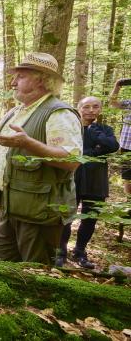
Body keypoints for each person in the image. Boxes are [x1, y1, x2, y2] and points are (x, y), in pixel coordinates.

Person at [0, 52, 83, 265]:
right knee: (3, 265)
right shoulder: (15, 112)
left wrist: (28, 143)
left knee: (34, 272)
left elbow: (71, 160)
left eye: (20, 76)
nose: (12, 82)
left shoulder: (58, 113)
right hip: (8, 206)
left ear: (42, 79)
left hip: (39, 213)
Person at [56, 97, 119, 268]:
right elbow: (67, 151)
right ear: (79, 108)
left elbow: (113, 145)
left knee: (90, 218)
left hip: (96, 181)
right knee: (66, 216)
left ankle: (80, 252)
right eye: (86, 107)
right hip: (72, 178)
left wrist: (94, 131)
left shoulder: (105, 129)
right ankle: (60, 252)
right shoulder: (71, 128)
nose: (91, 110)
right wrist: (96, 150)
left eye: (95, 107)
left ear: (100, 109)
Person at [109, 78, 131, 194]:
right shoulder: (129, 103)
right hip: (127, 146)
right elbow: (112, 102)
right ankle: (128, 206)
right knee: (128, 178)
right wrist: (117, 86)